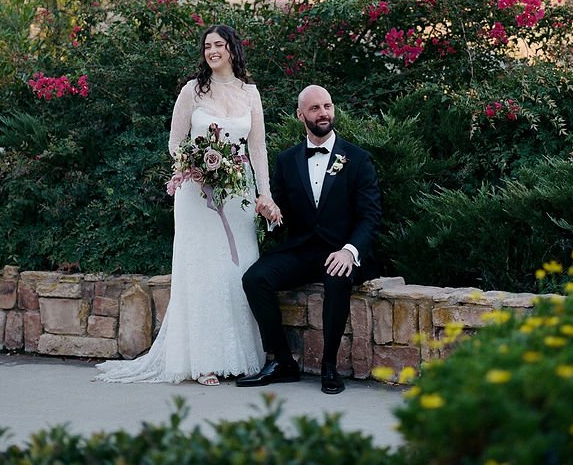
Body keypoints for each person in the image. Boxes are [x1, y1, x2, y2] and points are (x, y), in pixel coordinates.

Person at [96, 25, 281, 386]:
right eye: (207, 46)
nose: (212, 51)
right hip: (197, 194)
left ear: (232, 49)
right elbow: (175, 142)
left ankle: (239, 357)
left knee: (235, 270)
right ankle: (202, 362)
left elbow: (257, 148)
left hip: (237, 193)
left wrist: (265, 193)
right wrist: (195, 165)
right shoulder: (192, 91)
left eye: (219, 45)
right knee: (202, 272)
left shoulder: (250, 93)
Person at [238, 84, 382, 394]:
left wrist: (349, 251)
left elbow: (370, 216)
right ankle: (282, 362)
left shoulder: (357, 159)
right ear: (301, 115)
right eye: (315, 108)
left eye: (328, 106)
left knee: (337, 277)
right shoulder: (287, 161)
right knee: (254, 279)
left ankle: (329, 365)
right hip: (302, 249)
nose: (323, 113)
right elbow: (281, 216)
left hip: (340, 250)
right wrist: (272, 214)